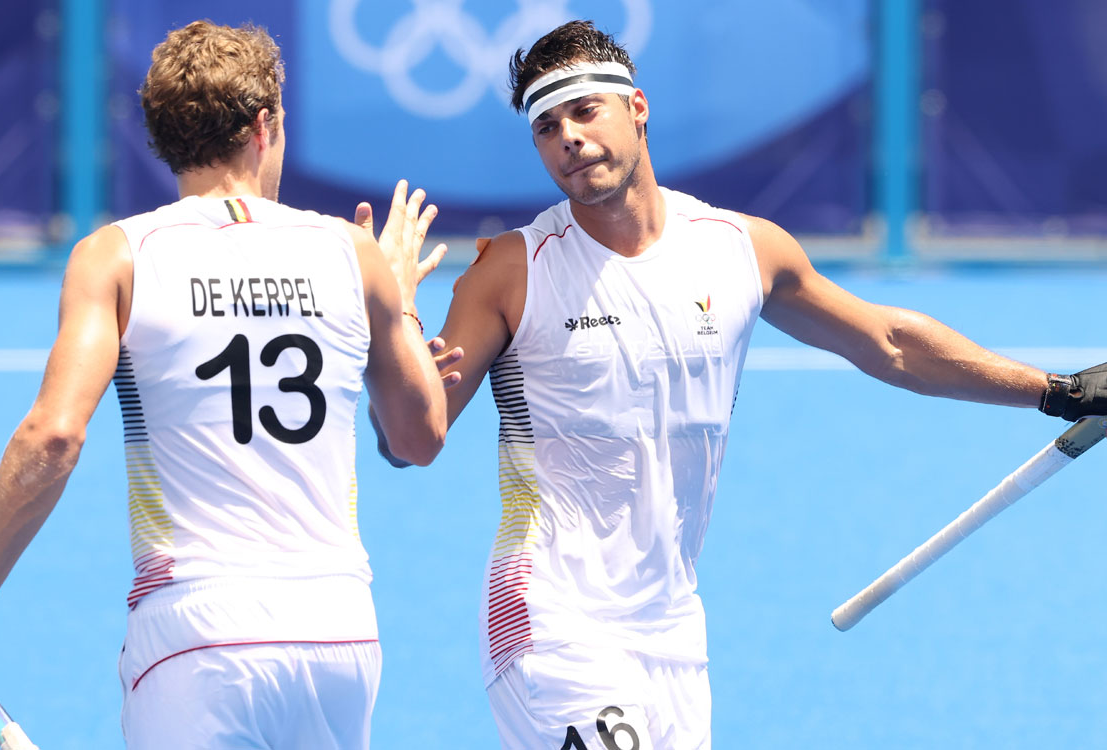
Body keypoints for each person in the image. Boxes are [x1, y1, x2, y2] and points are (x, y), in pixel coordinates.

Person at [376, 19, 1107, 749]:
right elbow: (411, 441)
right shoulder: (510, 272)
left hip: (672, 630)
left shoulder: (742, 250)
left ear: (637, 107)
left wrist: (1054, 390)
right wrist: (396, 315)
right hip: (552, 619)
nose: (566, 135)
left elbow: (888, 344)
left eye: (583, 110)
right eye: (545, 126)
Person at [0, 20, 451, 750]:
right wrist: (401, 296)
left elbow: (55, 435)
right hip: (339, 630)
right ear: (265, 125)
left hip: (197, 633)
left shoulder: (119, 255)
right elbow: (419, 438)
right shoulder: (353, 252)